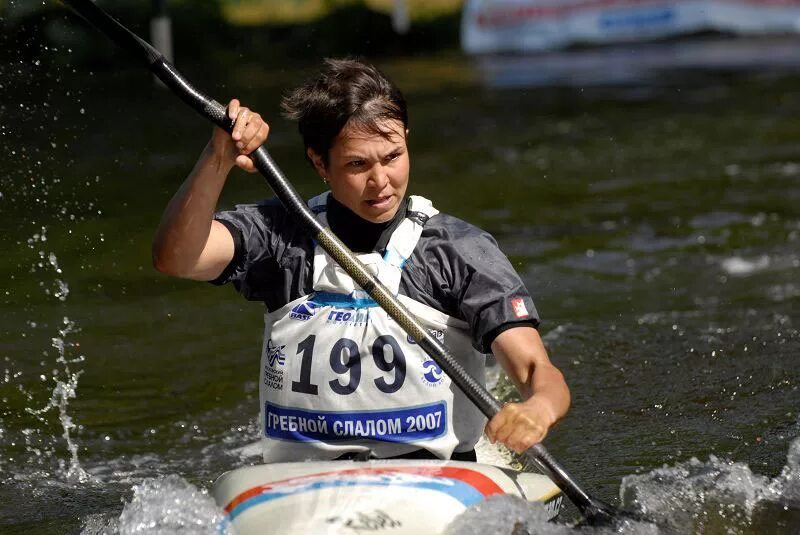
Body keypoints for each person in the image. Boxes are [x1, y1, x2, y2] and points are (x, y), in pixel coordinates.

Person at [152, 58, 570, 463]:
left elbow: (537, 369)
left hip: (438, 477)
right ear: (320, 163)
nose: (381, 181)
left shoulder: (459, 249)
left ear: (406, 138)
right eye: (357, 165)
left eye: (392, 156)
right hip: (299, 482)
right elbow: (176, 259)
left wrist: (538, 410)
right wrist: (217, 158)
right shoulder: (281, 233)